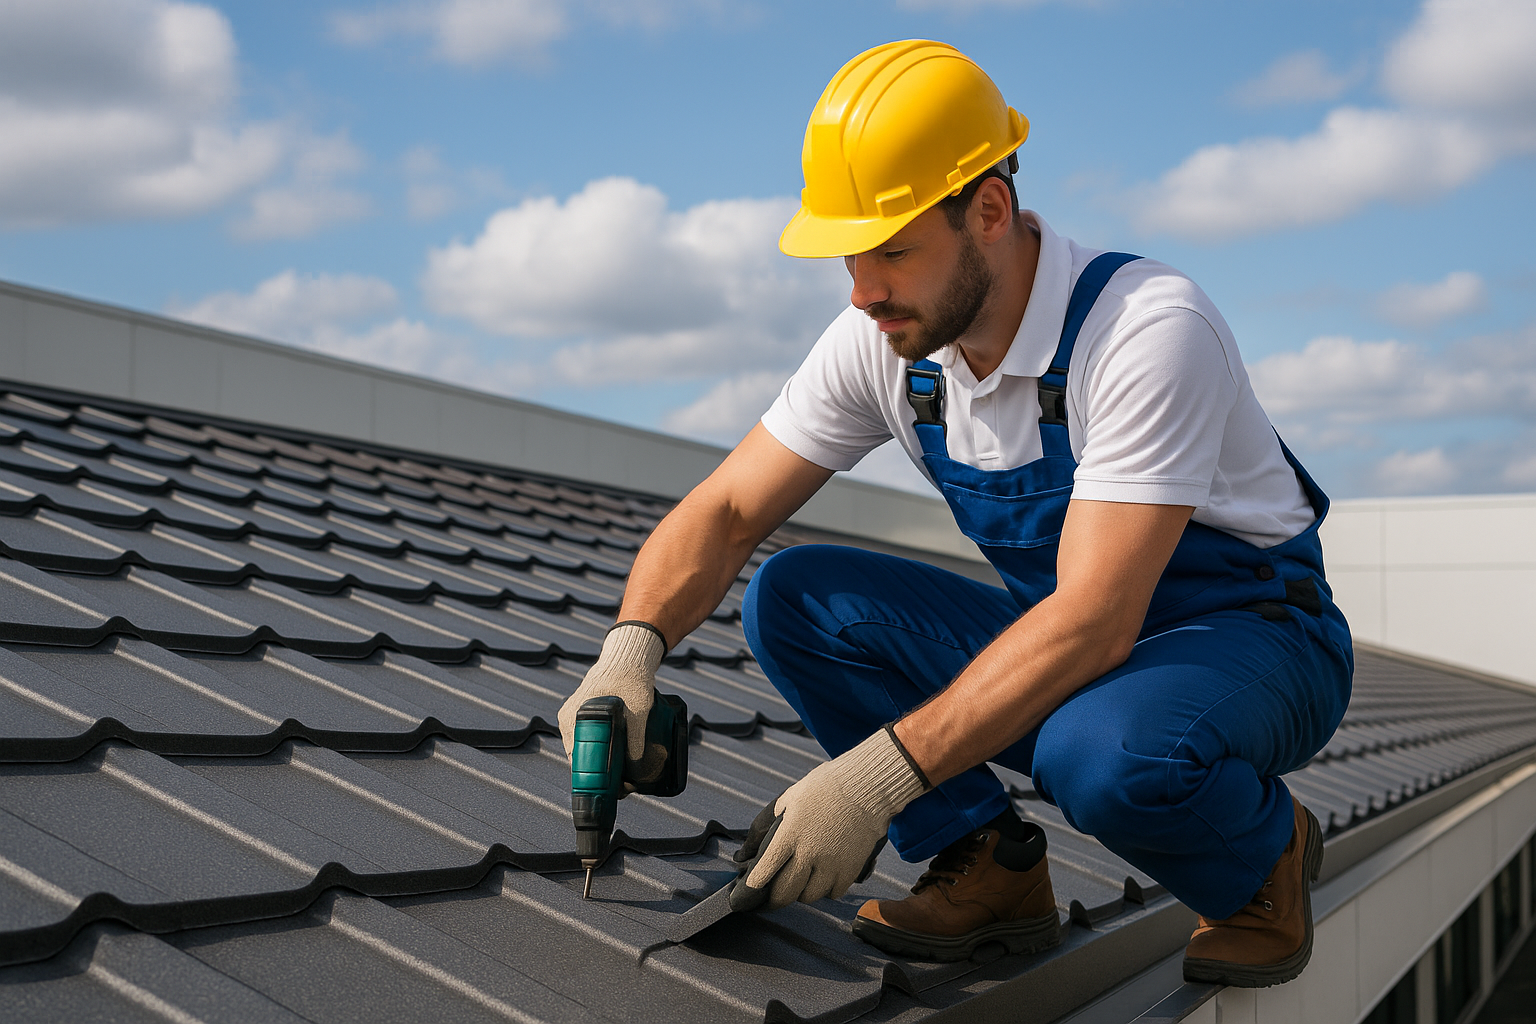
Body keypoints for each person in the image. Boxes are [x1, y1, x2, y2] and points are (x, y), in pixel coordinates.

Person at [558, 39, 1353, 989]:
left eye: (892, 251)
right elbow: (728, 508)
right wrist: (629, 651)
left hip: (1252, 642)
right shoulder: (888, 339)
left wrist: (874, 779)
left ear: (989, 209)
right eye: (851, 256)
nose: (864, 291)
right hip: (1080, 638)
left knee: (1104, 755)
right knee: (796, 595)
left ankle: (1266, 858)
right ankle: (989, 867)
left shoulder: (1145, 329)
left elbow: (1098, 616)